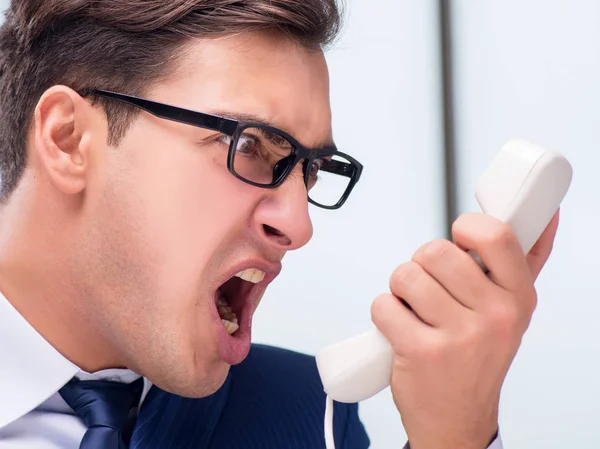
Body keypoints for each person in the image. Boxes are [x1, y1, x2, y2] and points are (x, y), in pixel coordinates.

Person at [0, 0, 559, 448]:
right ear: (67, 139)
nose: (299, 225)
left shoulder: (310, 419)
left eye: (311, 172)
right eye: (250, 147)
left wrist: (453, 439)